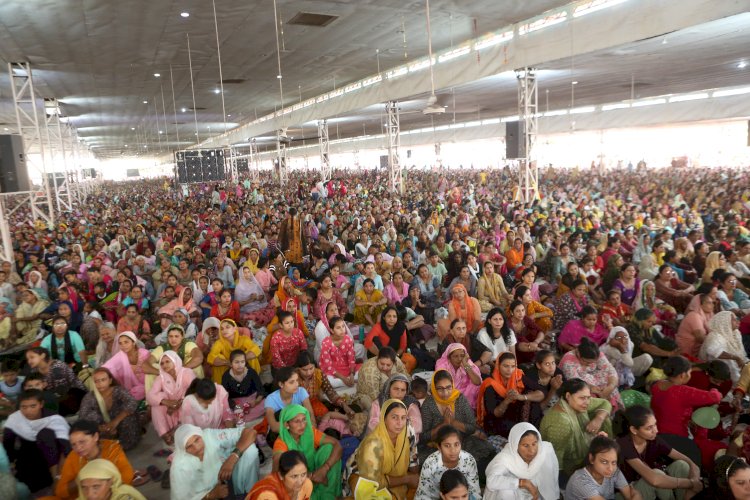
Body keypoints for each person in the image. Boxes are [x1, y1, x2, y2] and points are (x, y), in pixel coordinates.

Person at [650, 355, 725, 468]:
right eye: (689, 373)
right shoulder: (683, 392)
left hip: (656, 433)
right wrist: (714, 389)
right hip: (677, 439)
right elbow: (715, 397)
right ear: (682, 375)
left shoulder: (657, 385)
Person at [419, 370, 495, 478]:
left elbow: (472, 427)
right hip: (438, 446)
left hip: (462, 441)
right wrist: (444, 424)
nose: (445, 393)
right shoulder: (428, 404)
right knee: (426, 465)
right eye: (440, 389)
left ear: (453, 385)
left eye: (448, 387)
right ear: (433, 388)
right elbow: (424, 437)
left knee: (487, 453)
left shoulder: (459, 399)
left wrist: (454, 423)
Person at [617, 405, 703, 500]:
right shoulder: (624, 445)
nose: (656, 431)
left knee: (682, 465)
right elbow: (654, 480)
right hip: (629, 493)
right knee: (657, 475)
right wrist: (690, 483)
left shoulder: (654, 440)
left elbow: (688, 461)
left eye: (655, 425)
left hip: (648, 482)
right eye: (649, 428)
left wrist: (694, 479)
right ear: (634, 430)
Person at [346, 399, 419, 499]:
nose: (400, 423)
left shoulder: (407, 433)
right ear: (384, 418)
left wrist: (417, 478)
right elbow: (374, 482)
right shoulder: (373, 444)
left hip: (391, 476)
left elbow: (413, 460)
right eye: (394, 417)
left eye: (403, 418)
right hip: (363, 478)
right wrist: (407, 479)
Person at [540, 378, 613, 478]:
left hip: (579, 452)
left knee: (604, 417)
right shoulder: (561, 422)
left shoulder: (574, 403)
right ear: (568, 396)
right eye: (582, 398)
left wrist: (598, 419)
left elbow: (605, 403)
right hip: (569, 465)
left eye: (588, 397)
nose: (587, 402)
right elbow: (556, 459)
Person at [2, 389, 70, 493]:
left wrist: (58, 476)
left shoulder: (54, 419)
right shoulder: (15, 419)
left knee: (46, 434)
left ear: (41, 404)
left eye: (33, 406)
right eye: (23, 407)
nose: (28, 411)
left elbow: (65, 448)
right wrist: (11, 466)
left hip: (52, 462)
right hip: (27, 461)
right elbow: (8, 446)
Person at [171, 423, 261, 500]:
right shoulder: (179, 468)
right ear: (183, 450)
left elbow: (250, 432)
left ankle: (250, 492)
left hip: (223, 480)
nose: (196, 447)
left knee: (250, 451)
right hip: (204, 496)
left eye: (197, 439)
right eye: (189, 446)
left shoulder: (208, 436)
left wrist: (233, 457)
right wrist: (211, 495)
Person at [272, 404, 343, 499]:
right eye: (297, 421)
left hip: (319, 473)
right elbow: (278, 472)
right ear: (286, 424)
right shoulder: (281, 443)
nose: (302, 425)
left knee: (328, 448)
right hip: (299, 484)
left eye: (304, 419)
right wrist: (311, 475)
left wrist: (324, 469)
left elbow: (337, 445)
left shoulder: (309, 432)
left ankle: (328, 493)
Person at [56, 419, 137, 499]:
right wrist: (81, 479)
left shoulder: (112, 449)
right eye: (73, 444)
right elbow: (60, 491)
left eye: (82, 442)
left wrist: (104, 490)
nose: (78, 448)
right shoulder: (73, 457)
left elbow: (127, 475)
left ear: (95, 437)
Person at [484, 422, 560, 500]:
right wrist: (522, 483)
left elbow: (550, 483)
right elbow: (491, 481)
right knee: (506, 491)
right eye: (526, 445)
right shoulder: (506, 457)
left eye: (534, 444)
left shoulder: (544, 452)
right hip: (511, 496)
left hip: (534, 495)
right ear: (515, 445)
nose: (532, 451)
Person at [477, 353, 545, 437]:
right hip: (498, 420)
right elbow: (495, 413)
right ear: (498, 366)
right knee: (514, 428)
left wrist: (521, 397)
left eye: (513, 366)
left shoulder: (517, 375)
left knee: (534, 405)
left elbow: (541, 392)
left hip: (515, 414)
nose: (510, 370)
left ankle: (535, 434)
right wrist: (507, 400)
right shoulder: (490, 384)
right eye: (506, 366)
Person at [78, 367, 141, 451]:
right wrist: (100, 428)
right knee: (89, 420)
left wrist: (115, 421)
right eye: (96, 381)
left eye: (103, 380)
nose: (100, 384)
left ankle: (123, 446)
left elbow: (132, 403)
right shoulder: (89, 397)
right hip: (103, 429)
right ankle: (108, 441)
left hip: (121, 424)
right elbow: (82, 417)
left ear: (110, 381)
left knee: (129, 416)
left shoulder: (118, 391)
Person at [414, 425, 481, 500]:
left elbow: (474, 492)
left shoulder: (468, 460)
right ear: (439, 447)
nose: (453, 450)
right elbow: (423, 494)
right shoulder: (430, 464)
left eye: (456, 444)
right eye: (447, 446)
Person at [565, 436, 642, 500]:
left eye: (613, 462)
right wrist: (636, 495)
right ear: (592, 459)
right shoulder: (581, 480)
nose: (610, 468)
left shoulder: (614, 471)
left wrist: (636, 495)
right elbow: (634, 495)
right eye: (604, 462)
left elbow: (629, 495)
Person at [560, 337, 623, 410]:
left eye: (593, 362)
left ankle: (611, 409)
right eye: (587, 362)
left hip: (594, 381)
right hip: (576, 385)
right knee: (588, 394)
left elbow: (609, 369)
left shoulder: (595, 353)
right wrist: (593, 389)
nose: (590, 364)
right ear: (578, 354)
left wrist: (610, 386)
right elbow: (575, 382)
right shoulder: (568, 362)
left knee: (609, 380)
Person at [147, 351, 196, 445]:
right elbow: (150, 396)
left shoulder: (186, 372)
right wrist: (166, 402)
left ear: (175, 361)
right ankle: (164, 433)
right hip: (171, 411)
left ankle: (177, 430)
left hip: (185, 408)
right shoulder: (161, 377)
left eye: (167, 361)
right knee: (157, 401)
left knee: (190, 400)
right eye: (162, 363)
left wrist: (178, 403)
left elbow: (193, 390)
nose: (164, 365)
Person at [26, 346, 86, 416]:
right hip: (55, 398)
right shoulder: (35, 370)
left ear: (42, 356)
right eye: (28, 359)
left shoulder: (57, 367)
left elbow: (61, 392)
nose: (29, 361)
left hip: (75, 397)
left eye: (32, 357)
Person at [265, 367, 316, 446]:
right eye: (292, 382)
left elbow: (311, 416)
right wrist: (296, 426)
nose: (296, 384)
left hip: (299, 429)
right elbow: (274, 427)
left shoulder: (301, 391)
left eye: (297, 380)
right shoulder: (271, 399)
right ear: (281, 384)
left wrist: (311, 431)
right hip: (281, 432)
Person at [368, 373, 423, 439]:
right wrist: (388, 434)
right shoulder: (379, 402)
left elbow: (416, 425)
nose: (399, 393)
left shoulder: (410, 404)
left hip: (404, 440)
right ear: (389, 388)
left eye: (403, 390)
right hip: (382, 439)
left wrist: (397, 434)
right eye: (396, 389)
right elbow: (373, 423)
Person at [364, 306, 417, 373]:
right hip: (378, 354)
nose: (392, 319)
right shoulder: (379, 326)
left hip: (394, 354)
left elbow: (402, 346)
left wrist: (394, 356)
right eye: (389, 316)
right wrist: (382, 356)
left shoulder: (401, 327)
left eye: (394, 316)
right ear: (384, 317)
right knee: (374, 339)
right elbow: (367, 342)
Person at [207, 318, 261, 383]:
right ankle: (222, 385)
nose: (224, 330)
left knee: (251, 355)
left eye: (227, 327)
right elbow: (211, 357)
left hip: (243, 364)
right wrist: (228, 362)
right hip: (228, 366)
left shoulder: (243, 339)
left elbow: (256, 349)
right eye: (222, 329)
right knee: (218, 360)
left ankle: (253, 378)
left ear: (235, 329)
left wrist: (239, 360)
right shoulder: (219, 343)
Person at [700, 311, 747, 383]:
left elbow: (741, 353)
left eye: (737, 319)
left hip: (735, 365)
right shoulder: (715, 335)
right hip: (718, 368)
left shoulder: (736, 333)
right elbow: (712, 351)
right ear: (725, 322)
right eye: (734, 320)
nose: (738, 321)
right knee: (729, 361)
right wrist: (736, 358)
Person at [102, 331, 150, 402]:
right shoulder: (120, 356)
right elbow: (107, 366)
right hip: (131, 386)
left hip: (147, 382)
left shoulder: (144, 353)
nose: (123, 345)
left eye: (126, 342)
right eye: (120, 343)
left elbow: (151, 368)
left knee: (143, 391)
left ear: (133, 342)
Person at [246, 450, 314, 500]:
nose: (300, 482)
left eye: (303, 474)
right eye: (294, 476)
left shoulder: (306, 485)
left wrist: (295, 495)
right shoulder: (267, 494)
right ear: (281, 475)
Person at [222, 349, 266, 421]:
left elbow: (261, 390)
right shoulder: (226, 376)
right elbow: (225, 396)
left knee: (266, 405)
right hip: (235, 403)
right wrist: (235, 406)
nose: (240, 365)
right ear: (230, 364)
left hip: (252, 399)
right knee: (228, 414)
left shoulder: (251, 372)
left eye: (242, 362)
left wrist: (256, 402)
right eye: (236, 362)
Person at [435, 343, 482, 410]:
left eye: (462, 356)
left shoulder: (467, 363)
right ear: (449, 358)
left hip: (466, 395)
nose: (459, 359)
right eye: (455, 356)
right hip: (448, 394)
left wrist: (465, 364)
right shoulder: (442, 365)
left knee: (476, 386)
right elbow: (443, 386)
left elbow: (477, 382)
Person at [319, 316, 360, 389]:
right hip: (332, 370)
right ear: (332, 330)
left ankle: (350, 380)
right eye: (338, 328)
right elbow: (328, 366)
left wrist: (351, 373)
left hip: (346, 367)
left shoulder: (348, 339)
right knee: (328, 381)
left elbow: (351, 359)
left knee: (362, 372)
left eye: (343, 326)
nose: (342, 330)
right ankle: (349, 381)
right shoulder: (326, 343)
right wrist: (343, 378)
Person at [75, 459, 146, 500]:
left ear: (111, 481)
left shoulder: (124, 496)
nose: (89, 494)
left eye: (96, 487)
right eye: (84, 487)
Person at [676, 293, 715, 358]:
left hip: (698, 346)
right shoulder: (694, 315)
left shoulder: (707, 315)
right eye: (709, 303)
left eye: (712, 303)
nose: (712, 305)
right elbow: (700, 338)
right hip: (687, 349)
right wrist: (716, 343)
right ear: (700, 304)